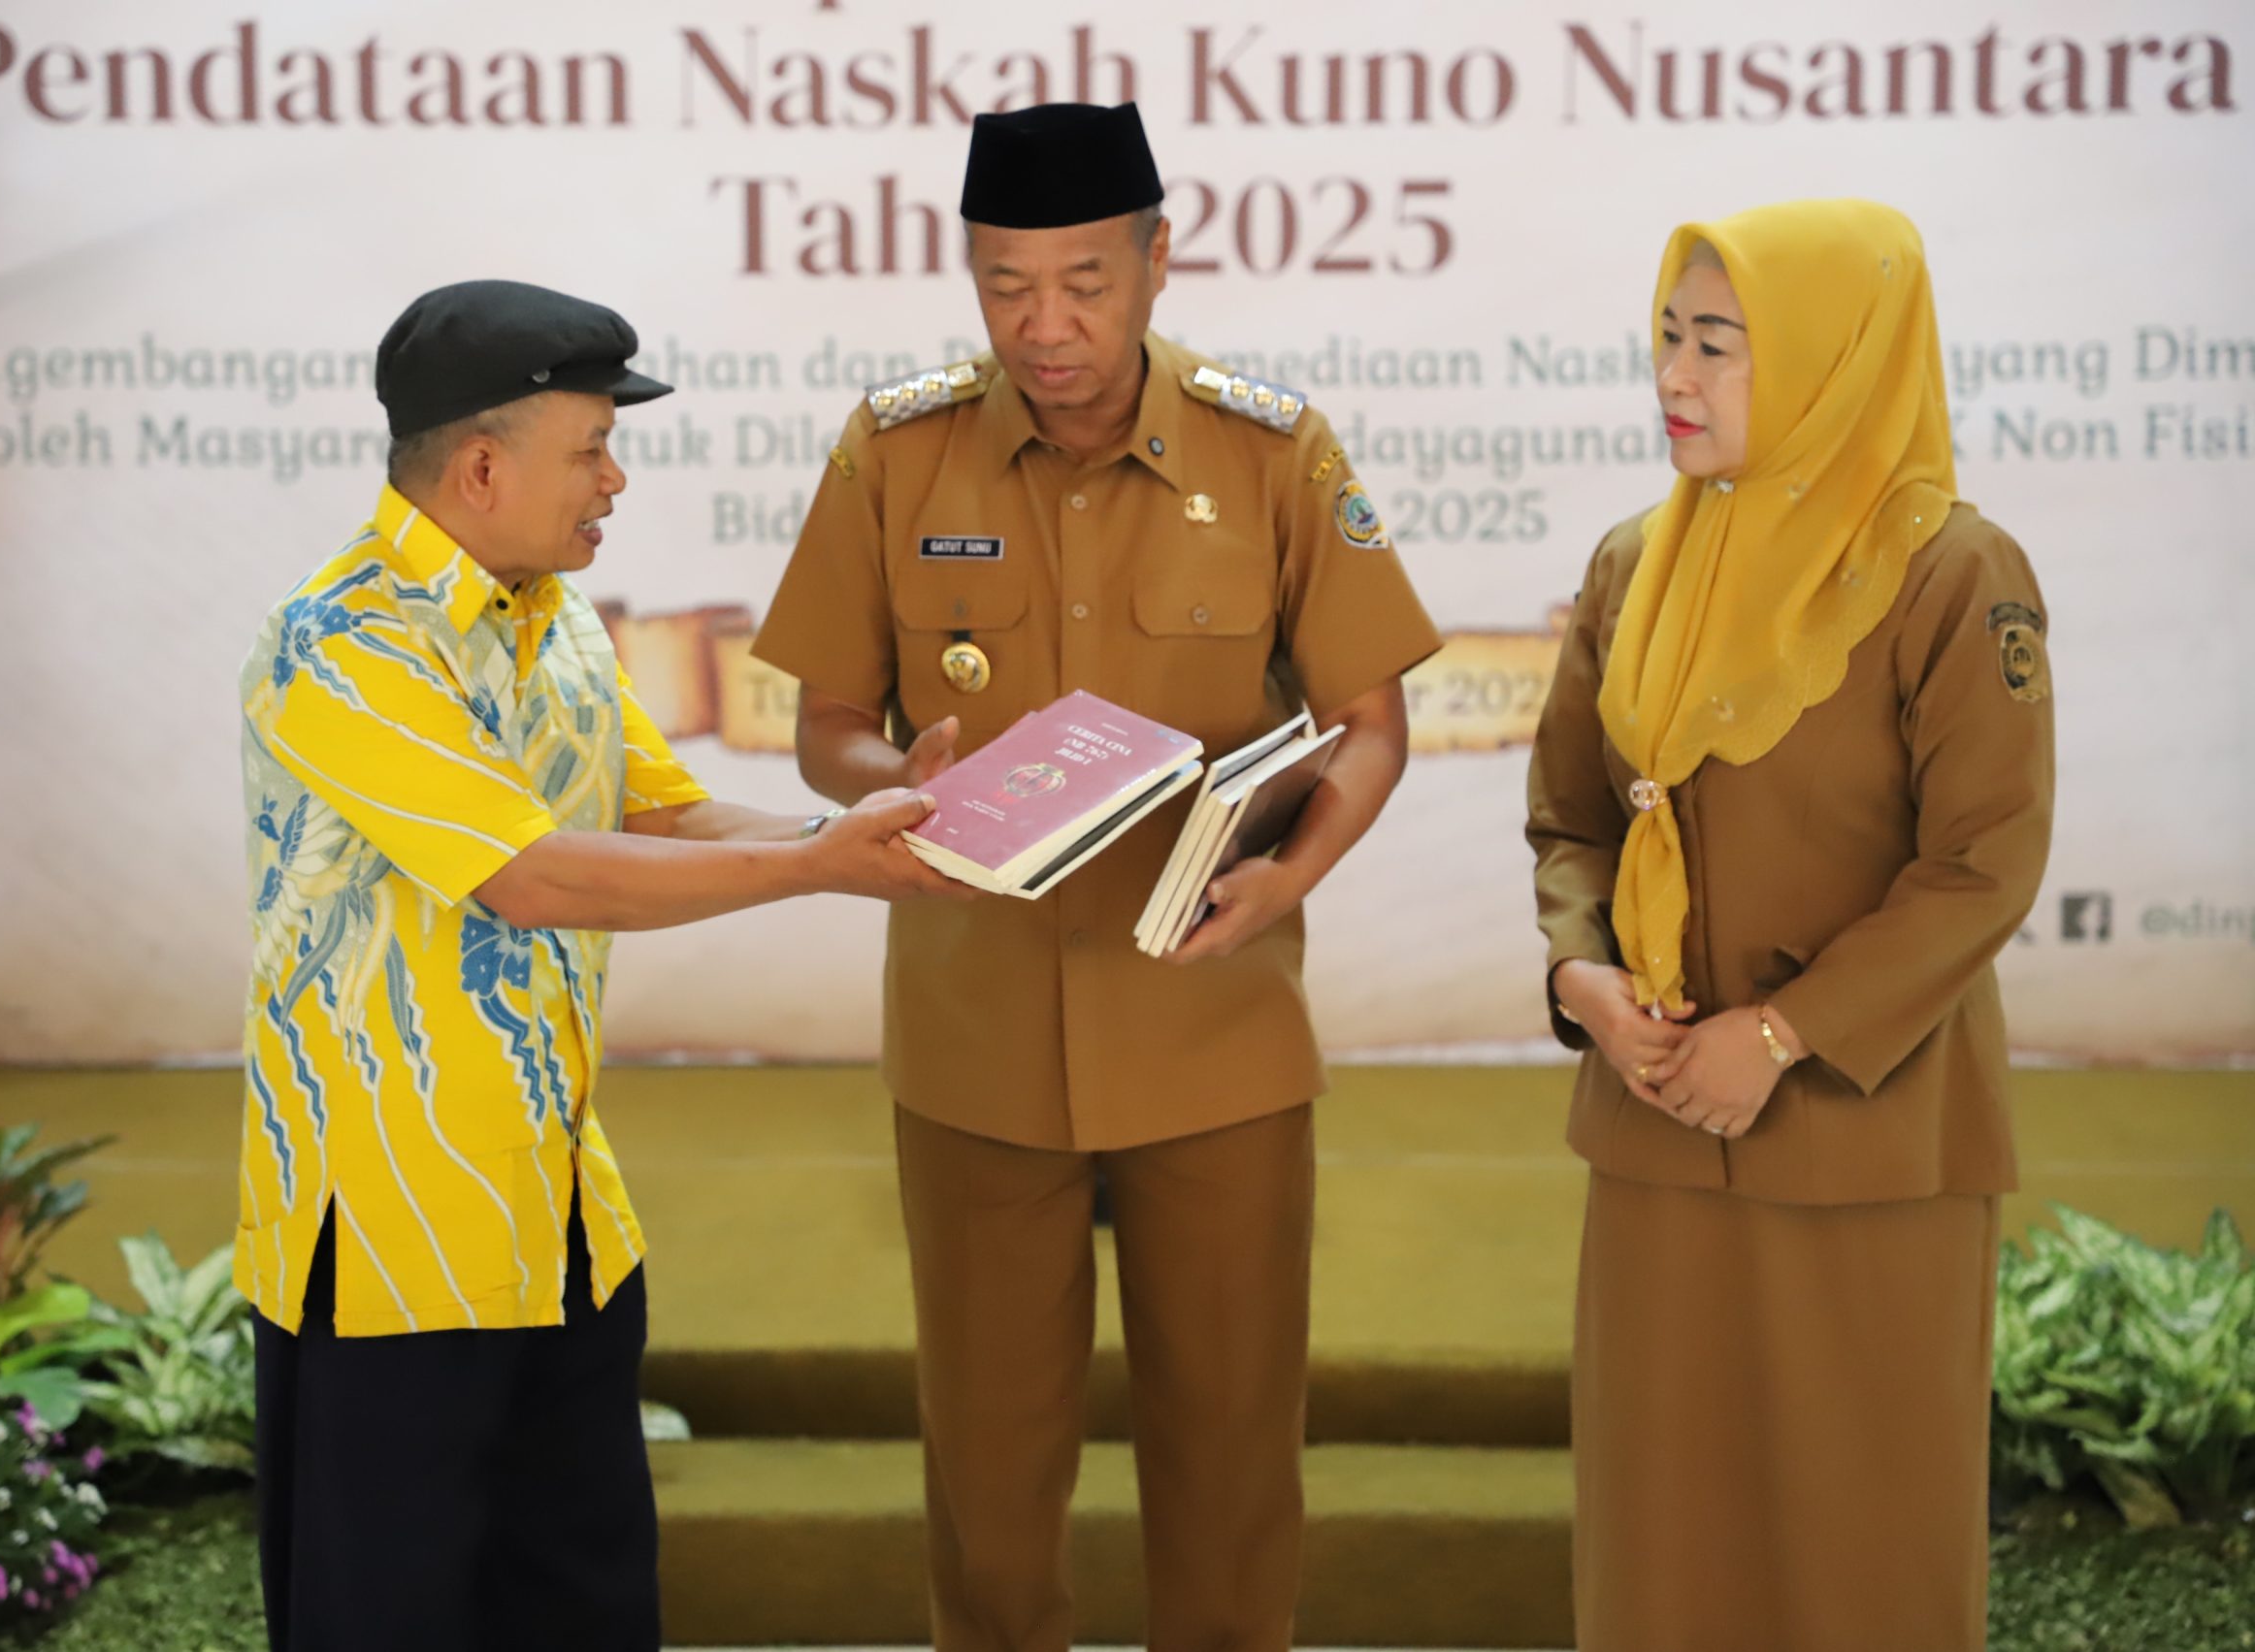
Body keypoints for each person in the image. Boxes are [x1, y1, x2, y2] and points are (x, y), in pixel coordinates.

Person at [751, 104, 1442, 1651]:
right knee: (989, 1477)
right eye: (1006, 285)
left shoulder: (1272, 453)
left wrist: (1292, 877)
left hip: (1214, 1030)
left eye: (1083, 282)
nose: (1044, 325)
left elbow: (1373, 724)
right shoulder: (897, 450)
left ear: (1157, 259)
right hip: (975, 1039)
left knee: (1234, 1458)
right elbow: (826, 722)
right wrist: (892, 783)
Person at [236, 278, 958, 1652]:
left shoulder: (556, 619)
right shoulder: (337, 642)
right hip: (392, 1239)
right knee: (388, 1619)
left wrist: (869, 827)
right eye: (592, 449)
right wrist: (819, 865)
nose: (615, 480)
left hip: (560, 1218)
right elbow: (532, 874)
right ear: (482, 468)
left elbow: (663, 816)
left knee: (589, 1602)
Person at [1524, 200, 2055, 1652]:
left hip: (1866, 1140)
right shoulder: (1635, 564)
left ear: (1835, 359)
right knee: (1663, 1545)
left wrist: (1778, 1034)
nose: (1674, 378)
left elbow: (1985, 860)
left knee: (1861, 1542)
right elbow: (1573, 817)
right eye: (1668, 338)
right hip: (1656, 1126)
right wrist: (1583, 975)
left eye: (1720, 345)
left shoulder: (1952, 575)